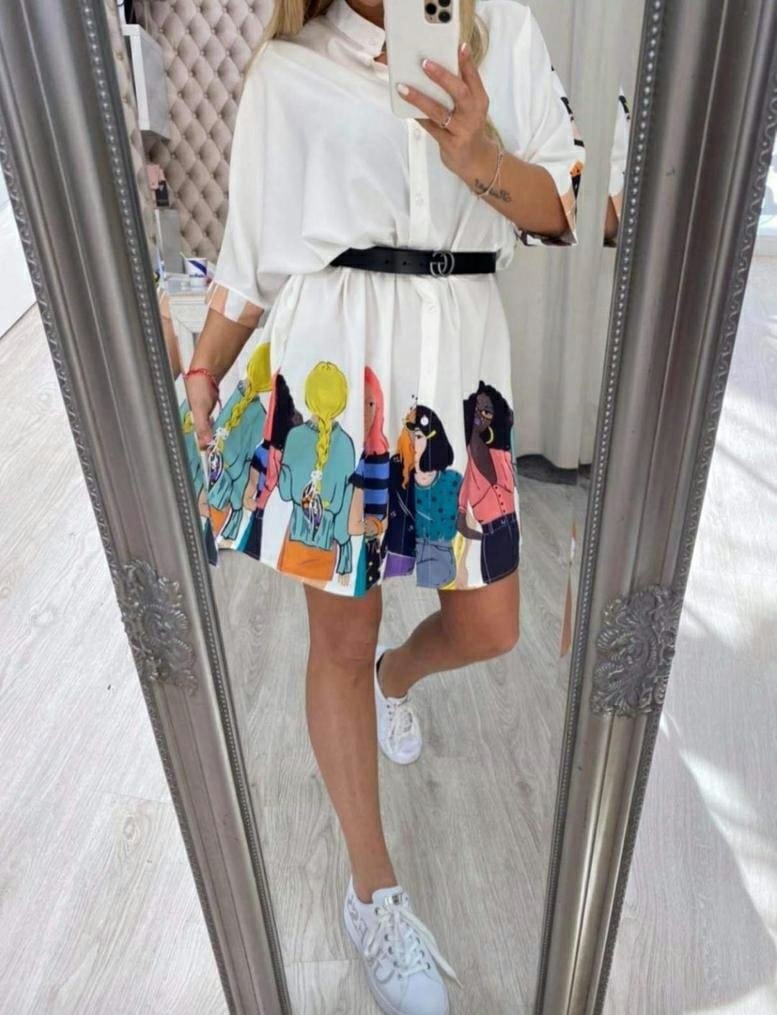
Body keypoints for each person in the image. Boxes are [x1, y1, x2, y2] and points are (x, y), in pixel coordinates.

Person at [184, 2, 584, 1011]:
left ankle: (396, 677)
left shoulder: (504, 32)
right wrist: (202, 368)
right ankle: (374, 891)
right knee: (337, 637)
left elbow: (569, 204)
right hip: (336, 361)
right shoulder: (288, 71)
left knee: (490, 626)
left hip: (461, 377)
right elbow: (250, 258)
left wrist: (480, 155)